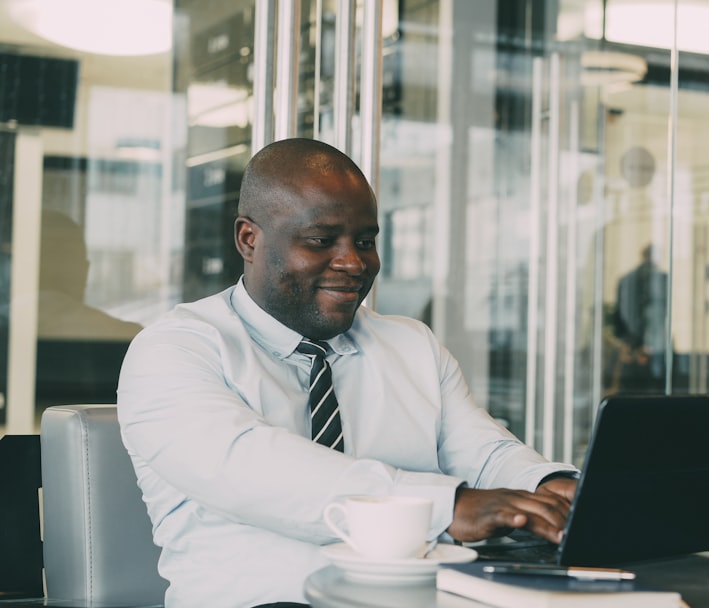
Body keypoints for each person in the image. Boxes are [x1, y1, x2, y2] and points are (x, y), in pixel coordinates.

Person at [117, 138, 578, 608]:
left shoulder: (411, 344)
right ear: (248, 239)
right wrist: (447, 507)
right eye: (321, 241)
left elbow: (483, 453)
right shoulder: (173, 350)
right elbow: (253, 469)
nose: (353, 263)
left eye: (365, 241)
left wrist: (547, 486)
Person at [610, 243, 669, 393]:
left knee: (631, 391)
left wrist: (630, 343)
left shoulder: (625, 280)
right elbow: (660, 315)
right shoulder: (662, 279)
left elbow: (618, 316)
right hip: (654, 346)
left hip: (632, 346)